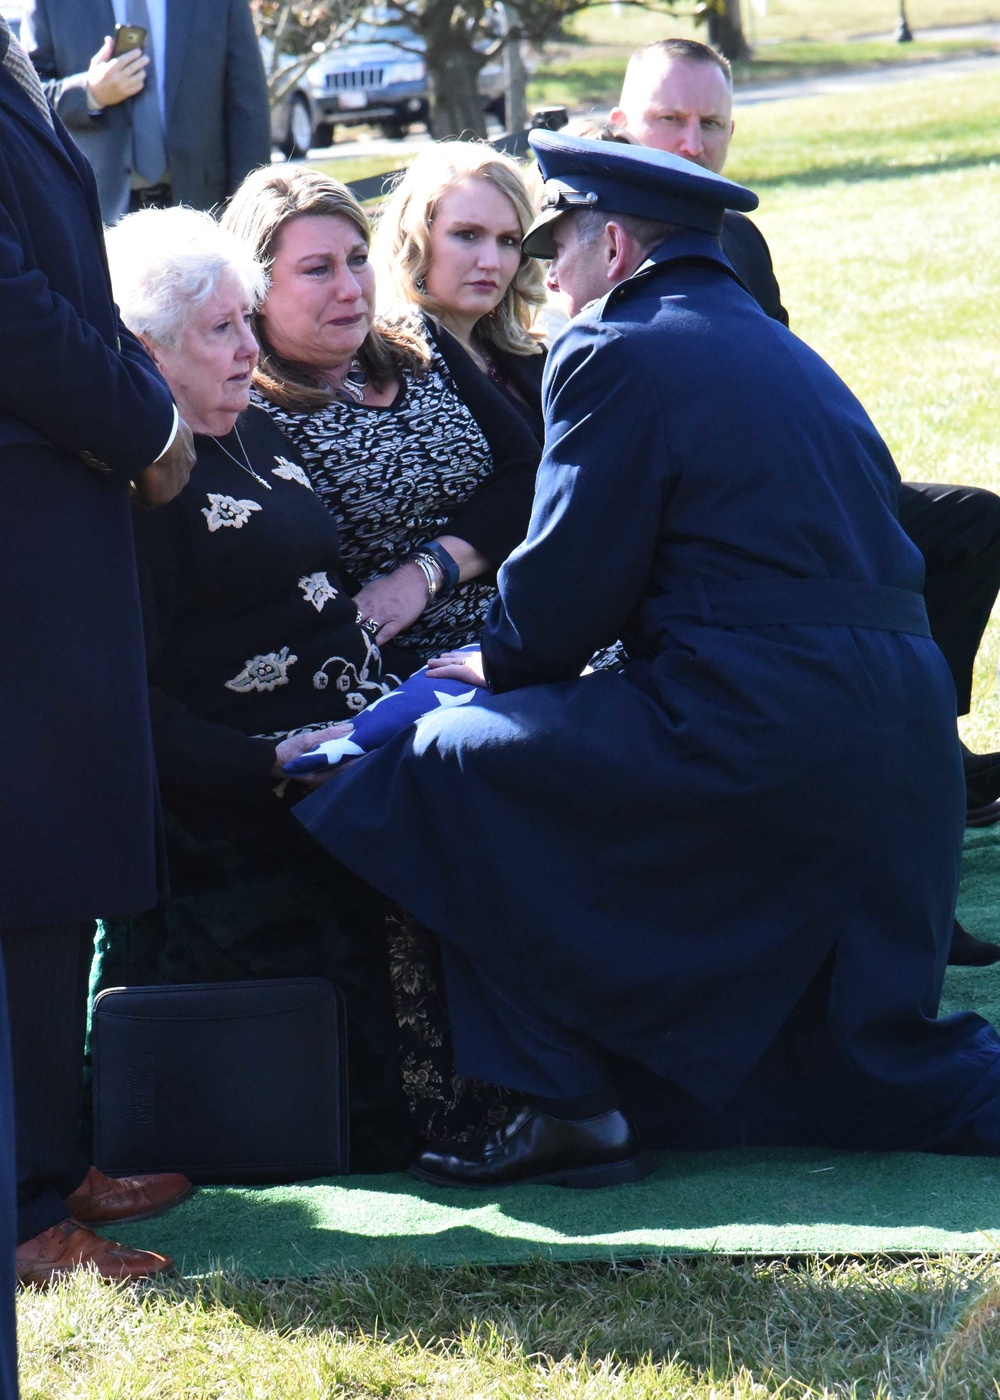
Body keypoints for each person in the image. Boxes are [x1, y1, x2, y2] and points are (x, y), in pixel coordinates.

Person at [294, 132, 1000, 1187]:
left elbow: (563, 599)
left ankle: (562, 1102)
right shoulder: (788, 353)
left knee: (440, 756)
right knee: (882, 1068)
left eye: (557, 253)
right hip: (896, 728)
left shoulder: (610, 345)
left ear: (613, 245)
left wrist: (491, 661)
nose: (547, 278)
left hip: (760, 717)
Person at [97, 205, 501, 1166]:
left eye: (246, 320)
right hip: (252, 792)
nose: (249, 348)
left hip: (357, 725)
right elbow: (124, 705)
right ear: (146, 349)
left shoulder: (248, 430)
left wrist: (421, 677)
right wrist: (261, 761)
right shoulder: (127, 491)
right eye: (222, 329)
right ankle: (482, 1110)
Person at [611, 37, 1000, 825]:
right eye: (669, 119)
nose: (692, 142)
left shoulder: (739, 236)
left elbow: (789, 382)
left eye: (711, 123)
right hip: (711, 526)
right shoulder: (596, 243)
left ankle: (931, 740)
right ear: (621, 124)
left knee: (972, 524)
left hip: (791, 492)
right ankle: (898, 774)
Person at [0, 14, 196, 1284]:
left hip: (49, 514)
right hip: (21, 515)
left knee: (59, 844)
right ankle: (21, 1215)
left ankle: (50, 1156)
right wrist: (146, 420)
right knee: (25, 857)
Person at [222, 165, 541, 657]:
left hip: (530, 616)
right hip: (409, 668)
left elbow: (532, 477)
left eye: (357, 259)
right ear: (256, 290)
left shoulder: (417, 340)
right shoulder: (250, 412)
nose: (350, 288)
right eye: (317, 269)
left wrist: (427, 571)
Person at [22, 0, 270, 224]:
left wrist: (250, 214)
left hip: (204, 211)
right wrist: (89, 93)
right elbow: (24, 100)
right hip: (99, 219)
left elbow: (248, 107)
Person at [372, 140, 548, 440]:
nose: (490, 262)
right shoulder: (387, 373)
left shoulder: (528, 354)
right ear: (413, 240)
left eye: (508, 240)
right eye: (467, 235)